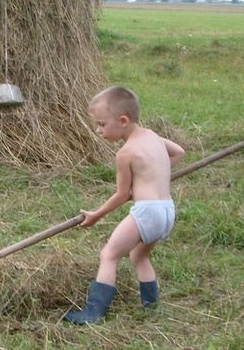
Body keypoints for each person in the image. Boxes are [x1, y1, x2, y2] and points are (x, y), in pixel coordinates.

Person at [63, 86, 185, 325]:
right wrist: (156, 173)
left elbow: (121, 195)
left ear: (123, 120)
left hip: (147, 212)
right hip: (167, 211)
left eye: (102, 124)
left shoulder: (125, 153)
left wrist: (96, 215)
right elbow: (179, 152)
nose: (98, 130)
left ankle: (93, 313)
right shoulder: (152, 136)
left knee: (109, 255)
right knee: (139, 257)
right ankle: (151, 307)